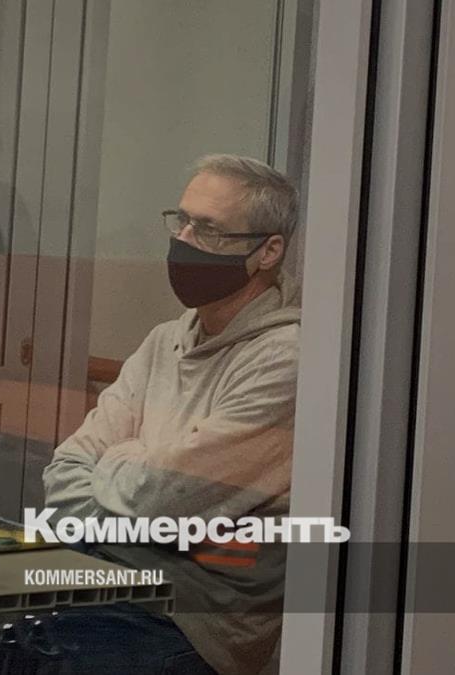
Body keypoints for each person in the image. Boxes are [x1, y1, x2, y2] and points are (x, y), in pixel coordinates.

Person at [22, 155, 300, 675]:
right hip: (103, 573)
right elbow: (64, 470)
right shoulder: (163, 341)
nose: (186, 240)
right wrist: (146, 477)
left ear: (268, 251)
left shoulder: (285, 359)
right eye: (182, 221)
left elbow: (162, 498)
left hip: (191, 619)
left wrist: (121, 460)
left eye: (210, 230)